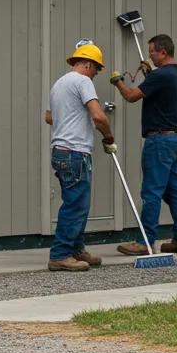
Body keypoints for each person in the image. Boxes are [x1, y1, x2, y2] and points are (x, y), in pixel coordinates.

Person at [109, 34, 177, 255]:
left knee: (151, 192)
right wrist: (150, 74)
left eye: (153, 53)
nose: (150, 57)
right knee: (174, 191)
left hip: (159, 140)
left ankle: (145, 242)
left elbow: (131, 96)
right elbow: (160, 93)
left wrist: (118, 81)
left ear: (163, 52)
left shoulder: (160, 75)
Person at [45, 42, 117, 271]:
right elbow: (99, 117)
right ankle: (60, 254)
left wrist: (71, 118)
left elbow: (49, 117)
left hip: (60, 150)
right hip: (75, 151)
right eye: (96, 69)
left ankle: (76, 249)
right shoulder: (83, 81)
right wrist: (109, 138)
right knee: (75, 205)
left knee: (77, 203)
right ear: (87, 64)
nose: (96, 73)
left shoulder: (59, 84)